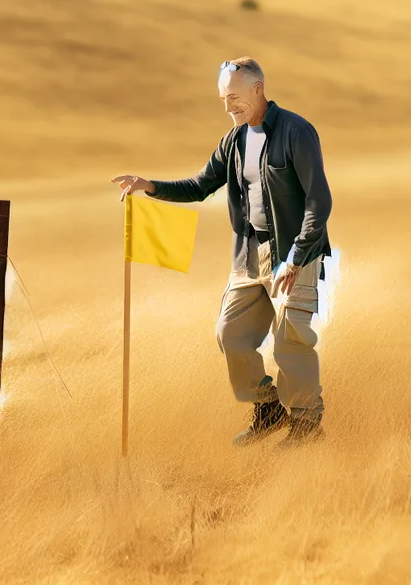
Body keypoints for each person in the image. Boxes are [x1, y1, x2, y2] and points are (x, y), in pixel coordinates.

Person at [111, 57, 334, 448]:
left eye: (234, 97)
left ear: (258, 89)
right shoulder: (233, 141)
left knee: (291, 341)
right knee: (230, 333)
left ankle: (306, 426)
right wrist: (149, 185)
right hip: (248, 254)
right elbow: (199, 186)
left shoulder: (296, 132)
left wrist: (297, 258)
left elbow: (319, 201)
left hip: (294, 254)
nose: (228, 107)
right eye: (223, 99)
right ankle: (268, 409)